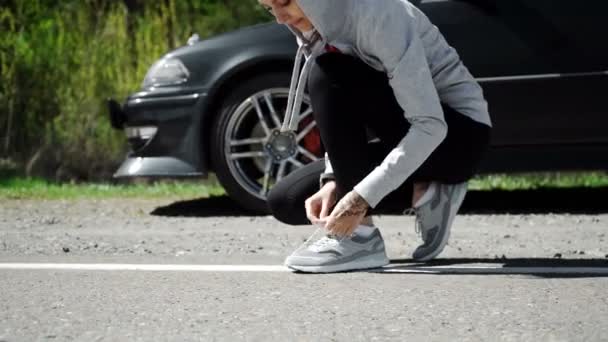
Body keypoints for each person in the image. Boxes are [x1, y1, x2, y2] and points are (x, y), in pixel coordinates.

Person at [261, 0, 492, 273]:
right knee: (286, 200)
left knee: (325, 73)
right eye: (268, 7)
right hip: (412, 140)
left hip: (459, 139)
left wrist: (361, 198)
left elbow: (431, 126)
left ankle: (359, 239)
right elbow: (344, 112)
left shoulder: (379, 13)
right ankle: (429, 192)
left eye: (284, 2)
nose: (278, 17)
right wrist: (335, 178)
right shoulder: (320, 23)